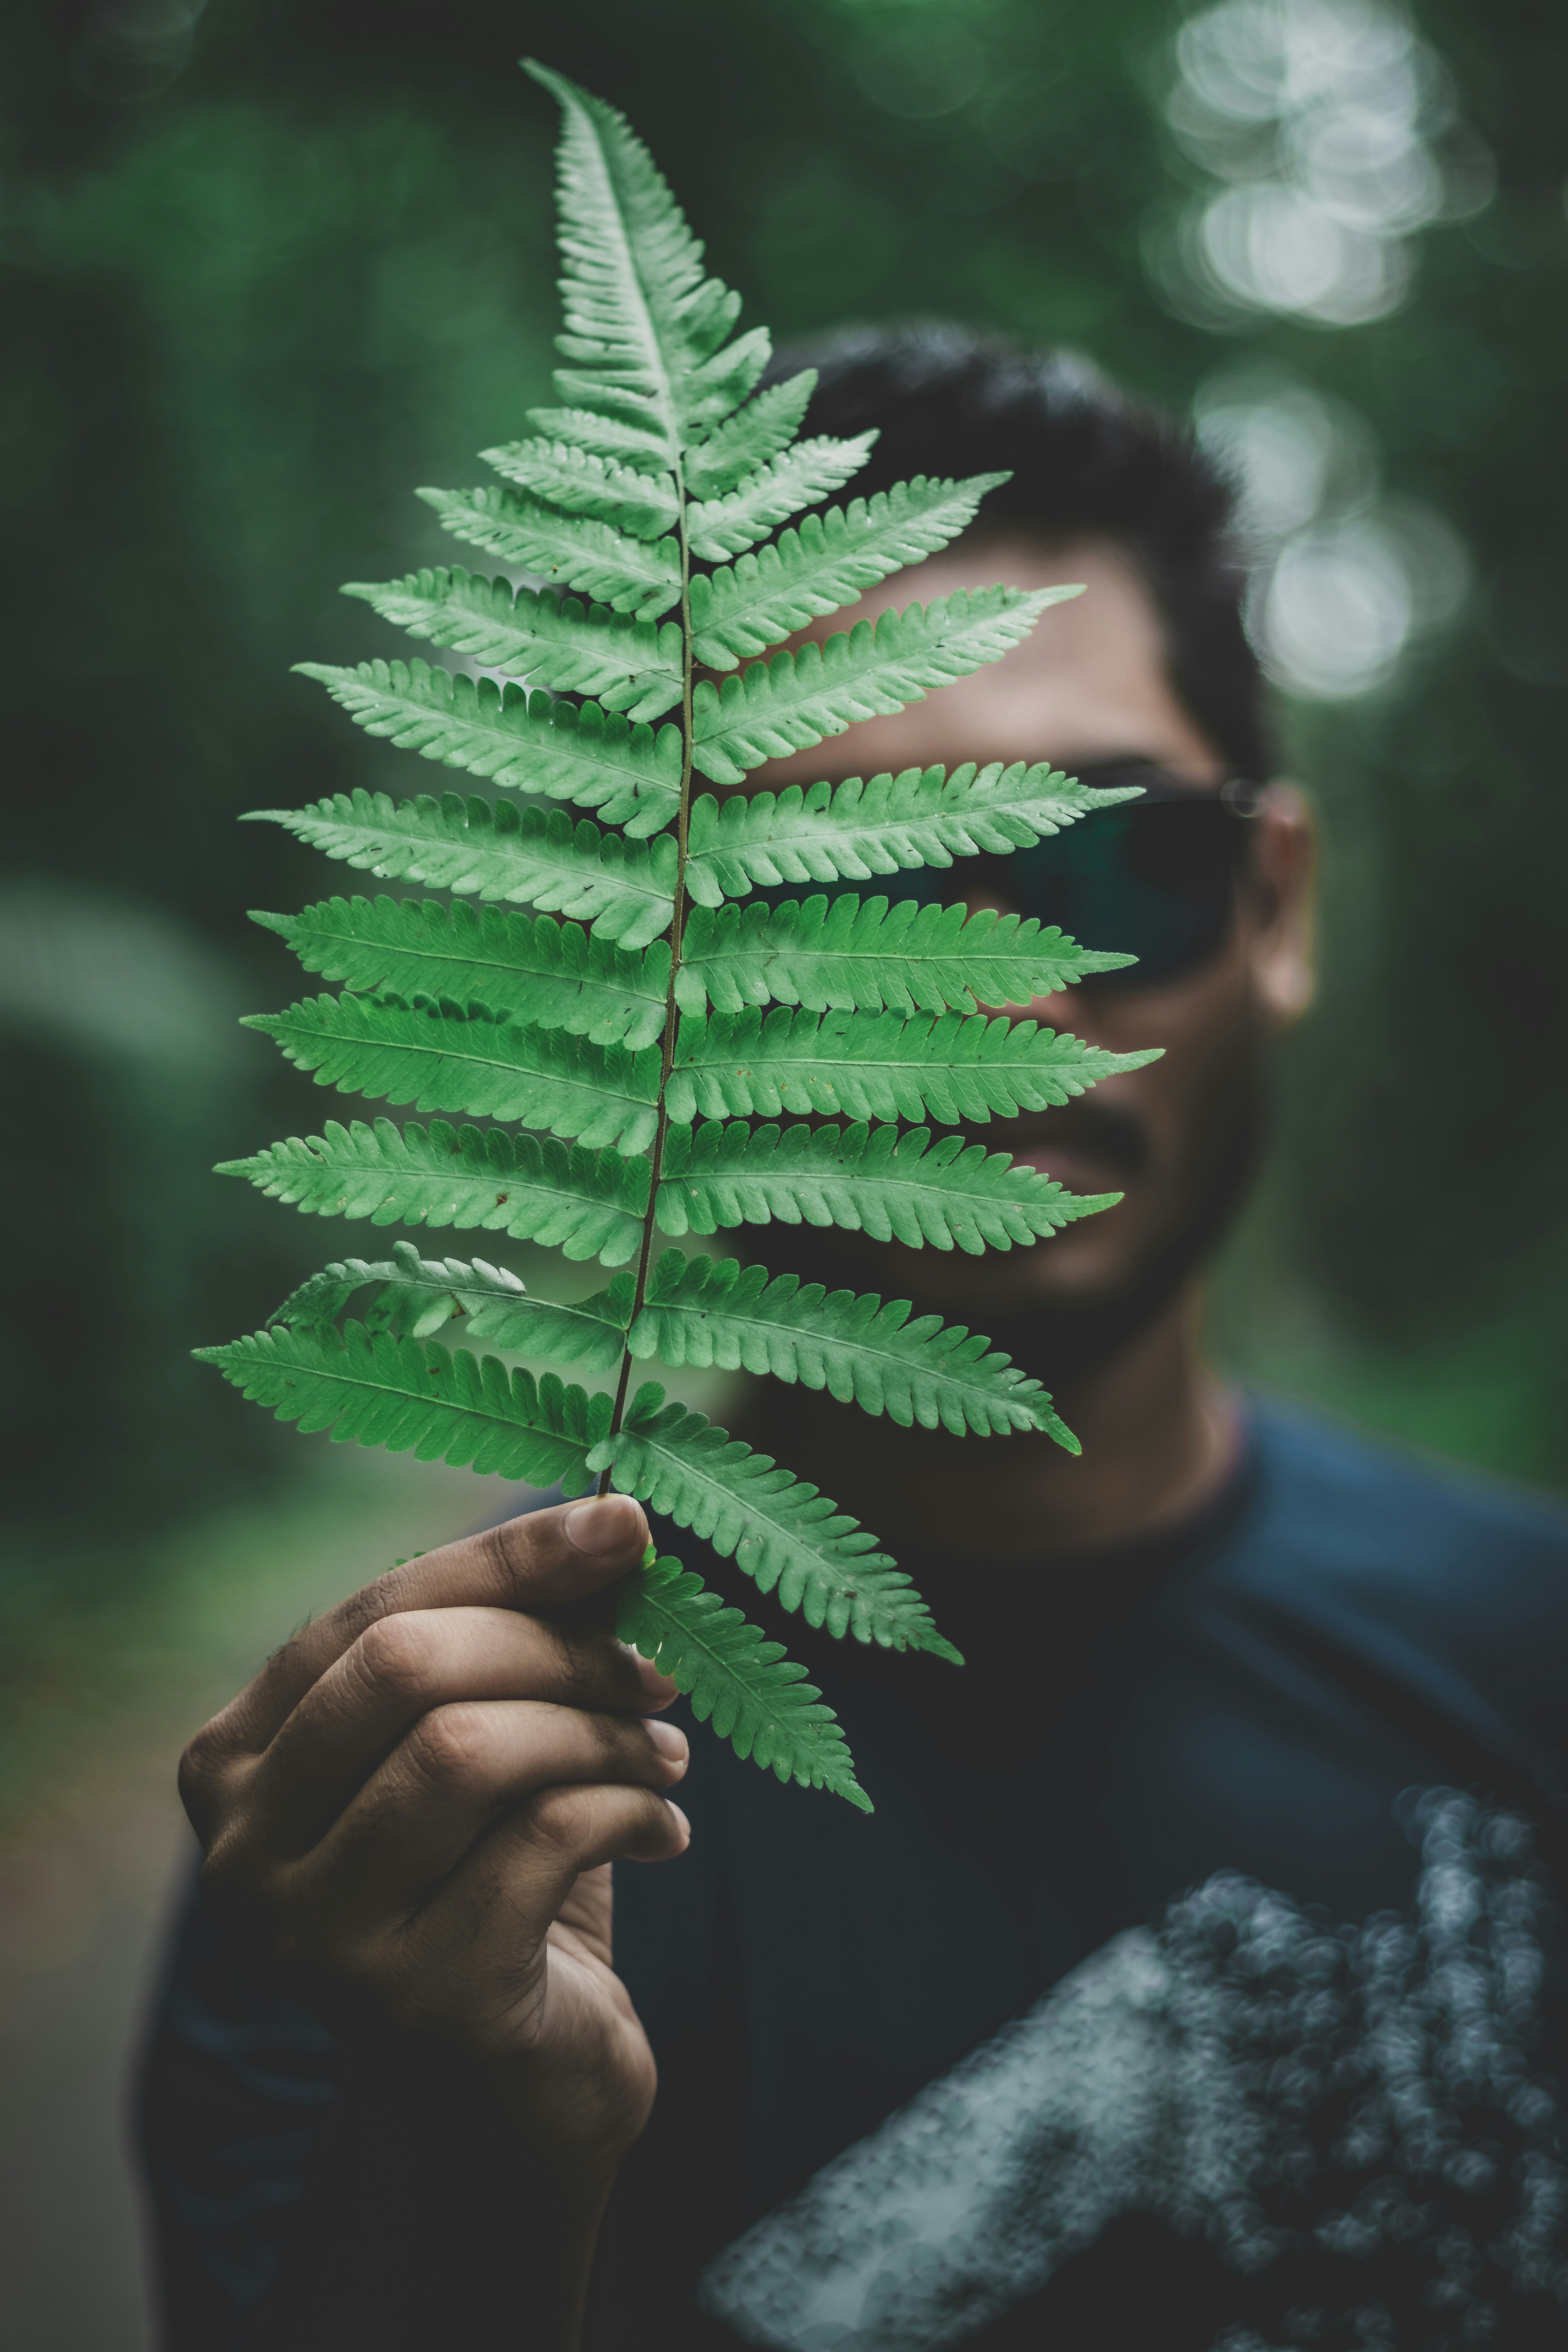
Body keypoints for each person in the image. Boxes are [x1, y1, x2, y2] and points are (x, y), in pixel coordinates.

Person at [137, 327, 1568, 2350]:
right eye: (854, 895)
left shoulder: (1539, 1670)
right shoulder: (404, 1844)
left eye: (1113, 861)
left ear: (1277, 903)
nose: (981, 1007)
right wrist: (472, 2181)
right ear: (682, 972)